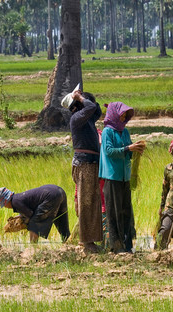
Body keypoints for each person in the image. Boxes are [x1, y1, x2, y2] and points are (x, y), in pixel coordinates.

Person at [61, 85, 103, 253]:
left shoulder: (88, 120)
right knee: (86, 202)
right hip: (84, 164)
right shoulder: (77, 118)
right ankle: (86, 242)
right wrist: (80, 98)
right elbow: (92, 107)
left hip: (91, 163)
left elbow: (96, 109)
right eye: (83, 102)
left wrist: (84, 98)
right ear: (76, 106)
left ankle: (89, 240)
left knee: (93, 202)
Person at [99, 102, 145, 253]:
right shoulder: (107, 132)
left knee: (125, 210)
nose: (124, 118)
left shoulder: (125, 132)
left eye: (125, 116)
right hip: (112, 177)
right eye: (121, 115)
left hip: (125, 177)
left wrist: (136, 150)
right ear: (114, 115)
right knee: (114, 211)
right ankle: (116, 246)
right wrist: (128, 148)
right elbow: (109, 151)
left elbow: (129, 152)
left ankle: (127, 245)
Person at [0, 185, 71, 243]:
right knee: (60, 219)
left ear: (5, 202)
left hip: (50, 196)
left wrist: (23, 224)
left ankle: (32, 249)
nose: (5, 207)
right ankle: (68, 243)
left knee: (34, 223)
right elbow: (31, 211)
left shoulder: (15, 202)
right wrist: (20, 216)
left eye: (3, 205)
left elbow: (30, 215)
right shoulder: (18, 198)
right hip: (59, 191)